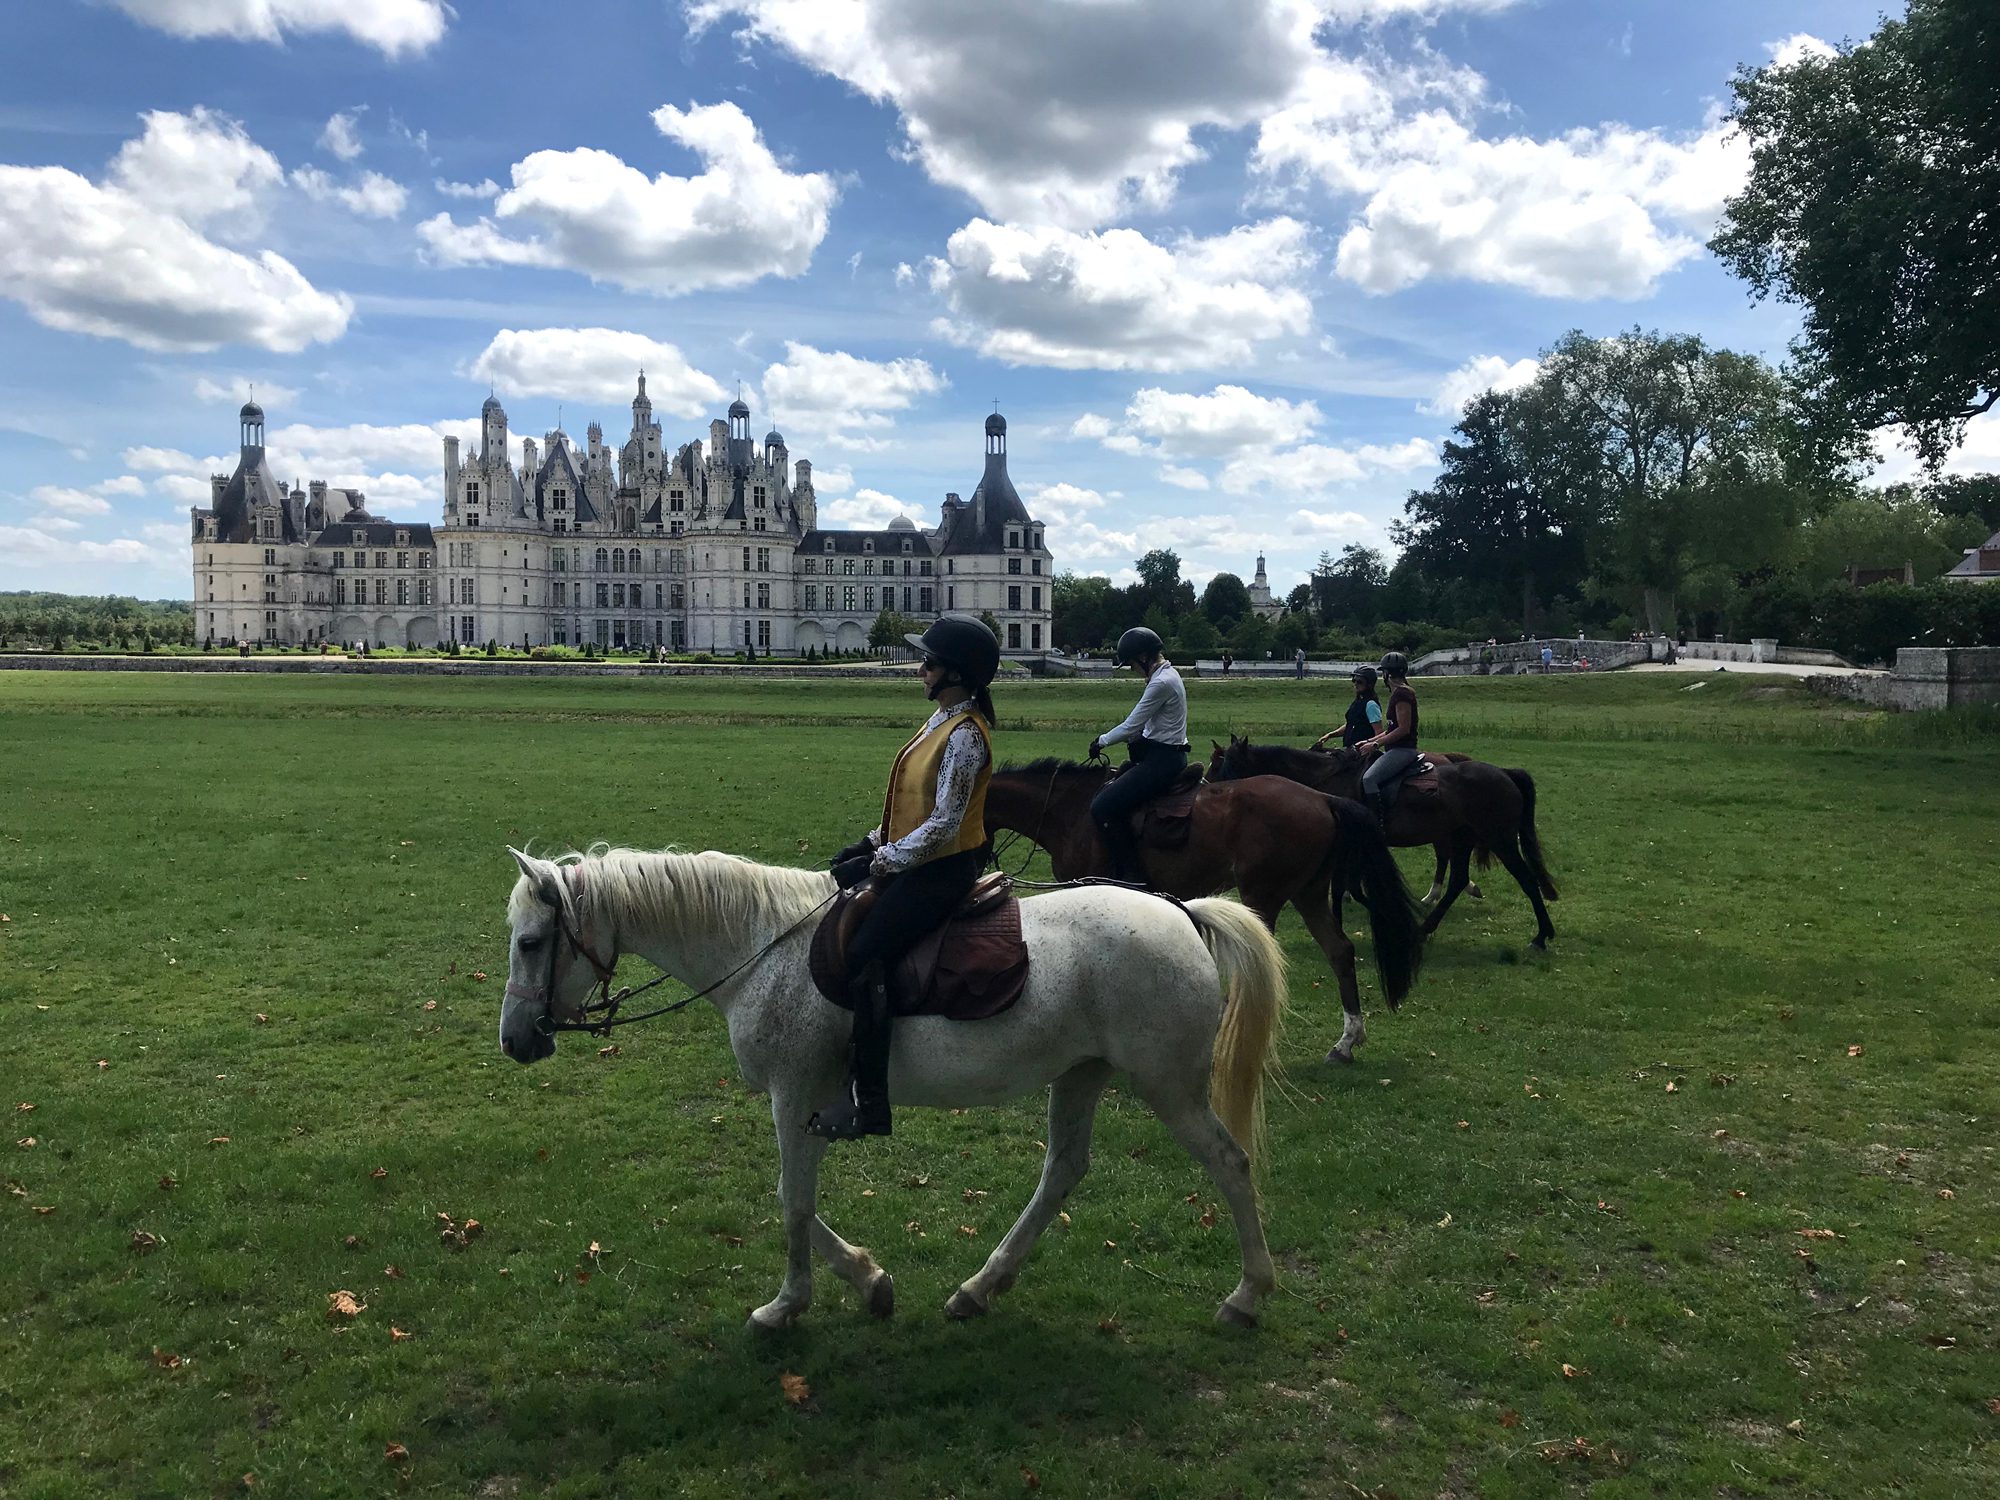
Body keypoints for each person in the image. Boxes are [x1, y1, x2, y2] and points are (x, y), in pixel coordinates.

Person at [809, 613, 1000, 1141]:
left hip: (943, 869)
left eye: (930, 662)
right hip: (916, 858)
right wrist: (871, 842)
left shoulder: (965, 737)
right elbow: (910, 803)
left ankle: (870, 1102)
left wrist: (882, 861)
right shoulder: (942, 721)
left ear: (956, 673)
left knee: (866, 952)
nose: (921, 668)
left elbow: (944, 824)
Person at [1084, 626, 1189, 886]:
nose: (1132, 670)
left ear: (1144, 657)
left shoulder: (1161, 682)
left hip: (1162, 761)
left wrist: (1101, 741)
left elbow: (1132, 724)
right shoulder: (1166, 676)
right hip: (1163, 755)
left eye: (1132, 664)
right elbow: (1144, 726)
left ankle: (1133, 874)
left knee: (1103, 806)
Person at [1358, 651, 1419, 820]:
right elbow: (1392, 729)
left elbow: (1403, 729)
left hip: (1403, 750)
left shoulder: (1401, 694)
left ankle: (1377, 822)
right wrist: (1369, 740)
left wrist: (1375, 746)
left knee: (1369, 779)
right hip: (1396, 748)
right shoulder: (1401, 692)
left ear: (1386, 674)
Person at [1314, 666, 1383, 750]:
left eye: (1360, 682)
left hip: (1362, 752)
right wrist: (1331, 735)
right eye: (1354, 680)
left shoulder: (1371, 705)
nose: (1356, 684)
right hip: (1349, 749)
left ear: (1369, 684)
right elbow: (1351, 724)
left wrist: (1371, 747)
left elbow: (1378, 732)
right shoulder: (1358, 701)